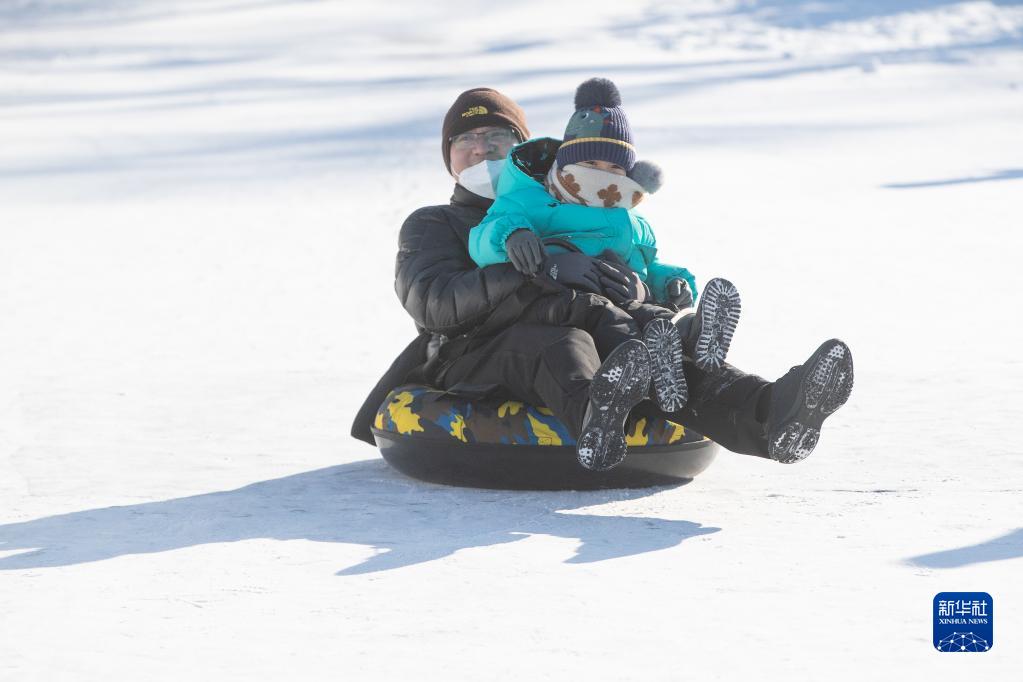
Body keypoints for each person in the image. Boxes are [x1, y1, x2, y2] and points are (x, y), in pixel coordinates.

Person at [350, 86, 853, 471]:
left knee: (651, 348)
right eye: (466, 141)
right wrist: (534, 268)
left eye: (495, 138)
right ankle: (598, 420)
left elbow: (629, 257)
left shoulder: (575, 205)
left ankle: (771, 413)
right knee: (563, 342)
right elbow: (434, 305)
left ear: (522, 149)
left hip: (602, 332)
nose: (480, 150)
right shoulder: (433, 223)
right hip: (476, 354)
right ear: (449, 156)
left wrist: (642, 287)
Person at [465, 77, 743, 421]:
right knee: (612, 317)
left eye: (614, 169)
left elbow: (643, 265)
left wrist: (666, 283)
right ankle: (654, 370)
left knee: (651, 317)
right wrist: (511, 235)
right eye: (591, 166)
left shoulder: (630, 221)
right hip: (561, 301)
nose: (602, 176)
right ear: (565, 165)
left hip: (619, 297)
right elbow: (481, 238)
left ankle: (691, 337)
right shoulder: (529, 201)